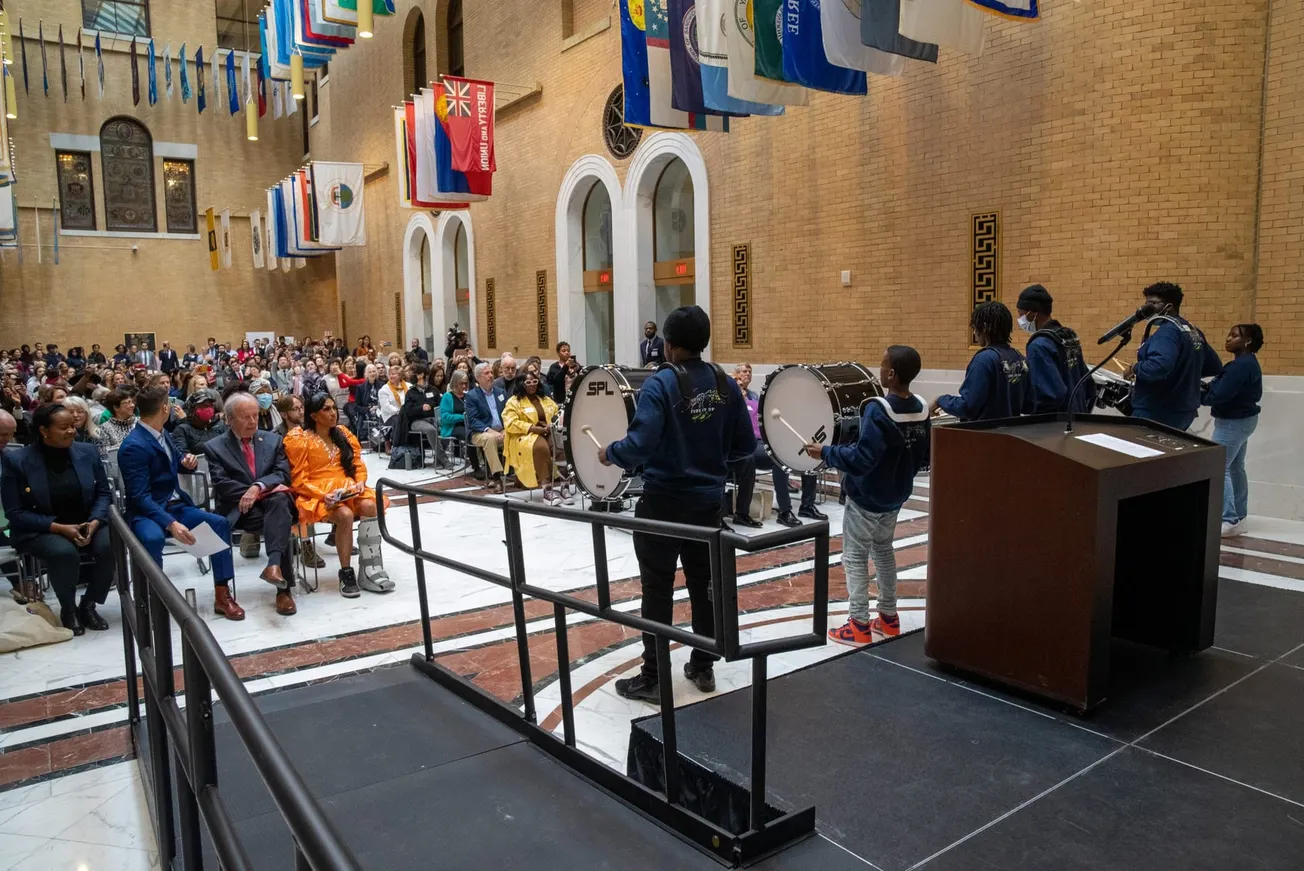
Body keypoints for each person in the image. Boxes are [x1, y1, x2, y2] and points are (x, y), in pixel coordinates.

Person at [597, 306, 755, 702]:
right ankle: (703, 666)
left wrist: (610, 453)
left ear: (667, 344)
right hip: (709, 506)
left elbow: (639, 445)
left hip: (663, 506)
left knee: (657, 589)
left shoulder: (661, 383)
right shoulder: (726, 383)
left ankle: (653, 677)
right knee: (704, 586)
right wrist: (711, 461)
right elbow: (745, 447)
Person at [811, 346, 931, 645]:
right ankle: (889, 618)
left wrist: (826, 452)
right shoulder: (920, 408)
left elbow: (863, 459)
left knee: (854, 557)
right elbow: (924, 458)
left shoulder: (878, 409)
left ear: (891, 374)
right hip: (896, 495)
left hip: (867, 497)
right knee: (883, 551)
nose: (879, 369)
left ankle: (858, 624)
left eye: (882, 365)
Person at [118, 387, 244, 620]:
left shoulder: (163, 433)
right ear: (165, 408)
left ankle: (222, 593)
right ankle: (152, 599)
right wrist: (170, 523)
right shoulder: (133, 445)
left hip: (173, 504)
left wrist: (187, 463)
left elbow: (175, 462)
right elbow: (139, 497)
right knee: (152, 538)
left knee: (219, 523)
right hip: (147, 511)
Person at [0, 405, 114, 634]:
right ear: (44, 430)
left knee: (111, 544)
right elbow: (15, 512)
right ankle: (69, 609)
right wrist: (58, 527)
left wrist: (94, 522)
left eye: (73, 425)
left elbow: (104, 493)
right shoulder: (18, 460)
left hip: (87, 521)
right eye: (64, 427)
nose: (72, 431)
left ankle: (89, 604)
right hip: (42, 527)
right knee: (64, 552)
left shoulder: (87, 452)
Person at [284, 395, 393, 597]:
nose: (333, 413)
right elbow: (299, 480)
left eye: (334, 408)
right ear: (314, 415)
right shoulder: (299, 439)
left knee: (371, 506)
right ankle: (346, 572)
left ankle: (370, 567)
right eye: (326, 409)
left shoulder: (342, 433)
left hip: (347, 488)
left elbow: (357, 464)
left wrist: (360, 481)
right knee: (344, 515)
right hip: (315, 493)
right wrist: (323, 495)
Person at [204, 393, 298, 616]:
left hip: (270, 504)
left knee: (279, 505)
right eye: (246, 417)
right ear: (229, 419)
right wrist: (255, 492)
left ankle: (276, 573)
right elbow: (223, 485)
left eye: (255, 415)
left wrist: (257, 487)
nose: (253, 421)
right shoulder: (214, 447)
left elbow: (282, 474)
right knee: (280, 516)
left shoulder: (272, 440)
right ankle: (281, 583)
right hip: (240, 509)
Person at [730, 363, 822, 529]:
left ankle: (807, 505)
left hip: (764, 440)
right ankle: (784, 511)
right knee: (778, 457)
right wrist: (738, 401)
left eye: (749, 372)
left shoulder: (755, 397)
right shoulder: (731, 400)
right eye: (743, 373)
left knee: (807, 452)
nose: (747, 375)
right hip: (748, 445)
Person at [1125, 281, 1224, 431]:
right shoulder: (1192, 331)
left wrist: (1134, 368)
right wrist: (1183, 373)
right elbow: (1214, 366)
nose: (1147, 308)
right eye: (1146, 303)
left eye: (1153, 303)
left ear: (1169, 306)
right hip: (1184, 411)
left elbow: (1158, 366)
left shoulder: (1167, 332)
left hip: (1157, 411)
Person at [1202, 324, 1264, 537]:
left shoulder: (1240, 367)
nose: (1228, 338)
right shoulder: (1247, 363)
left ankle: (1229, 519)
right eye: (1229, 334)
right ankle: (1239, 517)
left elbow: (1219, 395)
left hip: (1233, 423)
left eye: (1235, 335)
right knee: (1236, 467)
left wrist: (1196, 395)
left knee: (1219, 467)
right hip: (1243, 421)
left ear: (1248, 341)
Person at [932, 302, 1030, 421]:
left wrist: (941, 400)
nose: (974, 333)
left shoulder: (984, 360)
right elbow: (1028, 405)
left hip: (983, 431)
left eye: (974, 328)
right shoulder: (1020, 358)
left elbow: (967, 407)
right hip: (1012, 430)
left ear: (984, 327)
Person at [1016, 284, 1095, 414]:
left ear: (1033, 312)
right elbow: (1089, 385)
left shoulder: (1039, 346)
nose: (1020, 320)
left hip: (1056, 422)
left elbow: (1048, 395)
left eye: (1021, 314)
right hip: (1078, 416)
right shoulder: (1069, 337)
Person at [503, 370, 566, 503]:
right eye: (528, 382)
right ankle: (547, 489)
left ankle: (564, 486)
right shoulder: (513, 402)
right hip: (526, 435)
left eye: (535, 381)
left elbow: (557, 413)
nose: (532, 384)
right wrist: (532, 428)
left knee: (562, 445)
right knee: (541, 448)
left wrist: (553, 423)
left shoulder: (545, 399)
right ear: (521, 384)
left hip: (548, 431)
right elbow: (510, 423)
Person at [396, 363, 446, 468]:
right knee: (431, 430)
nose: (410, 375)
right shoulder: (410, 392)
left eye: (412, 373)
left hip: (433, 418)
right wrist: (420, 408)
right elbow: (408, 411)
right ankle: (444, 460)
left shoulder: (433, 390)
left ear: (421, 375)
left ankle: (438, 460)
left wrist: (432, 407)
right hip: (417, 421)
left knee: (446, 430)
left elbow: (440, 405)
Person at [466, 362, 508, 483]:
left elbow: (508, 414)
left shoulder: (501, 392)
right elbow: (473, 420)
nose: (491, 375)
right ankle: (496, 478)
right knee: (489, 439)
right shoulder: (472, 396)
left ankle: (520, 474)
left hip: (501, 430)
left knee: (517, 436)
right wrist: (490, 431)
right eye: (486, 373)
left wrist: (505, 429)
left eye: (491, 372)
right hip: (480, 432)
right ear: (478, 378)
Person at [174, 390, 225, 454]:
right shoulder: (183, 429)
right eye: (205, 406)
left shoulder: (220, 425)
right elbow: (181, 454)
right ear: (192, 409)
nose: (209, 409)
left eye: (211, 406)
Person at [95, 389, 139, 456]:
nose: (132, 405)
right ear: (116, 407)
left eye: (132, 402)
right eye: (128, 402)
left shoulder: (140, 422)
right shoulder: (104, 429)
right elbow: (104, 455)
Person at [376, 363, 409, 428]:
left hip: (407, 413)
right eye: (389, 374)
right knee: (400, 421)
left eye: (393, 374)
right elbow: (386, 407)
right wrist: (400, 412)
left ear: (400, 375)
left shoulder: (409, 386)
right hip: (391, 416)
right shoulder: (384, 390)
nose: (391, 376)